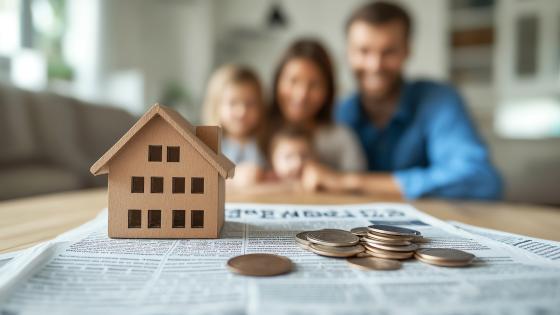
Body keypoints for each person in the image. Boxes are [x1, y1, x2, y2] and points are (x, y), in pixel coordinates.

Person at [302, 1, 502, 200]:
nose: (375, 65)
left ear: (406, 50)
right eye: (363, 51)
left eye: (388, 52)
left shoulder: (438, 101)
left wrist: (351, 182)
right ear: (347, 53)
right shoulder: (338, 114)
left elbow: (479, 178)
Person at [268, 39, 367, 172]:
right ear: (277, 82)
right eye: (293, 81)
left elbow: (359, 185)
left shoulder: (340, 139)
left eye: (314, 85)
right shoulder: (255, 130)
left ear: (328, 91)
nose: (301, 95)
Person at [202, 64, 266, 186]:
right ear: (216, 106)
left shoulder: (266, 143)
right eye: (232, 103)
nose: (242, 111)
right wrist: (235, 178)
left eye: (250, 103)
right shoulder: (209, 146)